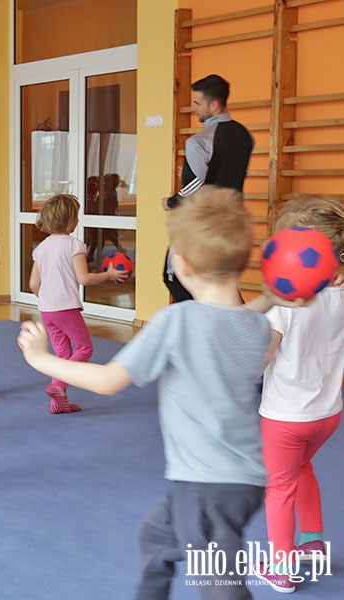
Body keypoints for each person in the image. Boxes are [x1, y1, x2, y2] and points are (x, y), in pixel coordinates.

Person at [18, 186, 270, 597]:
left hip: (206, 482)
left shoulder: (179, 321)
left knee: (218, 582)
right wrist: (275, 297)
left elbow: (109, 380)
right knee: (156, 540)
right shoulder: (254, 324)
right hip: (240, 480)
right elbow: (249, 327)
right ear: (242, 263)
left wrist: (41, 359)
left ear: (181, 263)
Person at [246, 198, 344, 593]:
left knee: (279, 488)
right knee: (303, 469)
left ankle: (282, 568)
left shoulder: (284, 304)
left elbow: (259, 362)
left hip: (285, 418)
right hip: (328, 414)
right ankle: (312, 542)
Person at [28, 194, 127, 414]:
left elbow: (34, 284)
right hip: (66, 309)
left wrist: (47, 298)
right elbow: (84, 279)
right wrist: (108, 274)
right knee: (84, 348)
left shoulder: (41, 248)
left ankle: (58, 403)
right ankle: (58, 386)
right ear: (70, 220)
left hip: (47, 310)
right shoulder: (75, 246)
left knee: (63, 355)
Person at [162, 74, 254, 303]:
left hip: (203, 220)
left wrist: (171, 201)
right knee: (222, 279)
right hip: (232, 221)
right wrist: (190, 173)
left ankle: (202, 324)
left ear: (214, 105)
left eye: (197, 103)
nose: (193, 108)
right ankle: (237, 326)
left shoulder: (199, 141)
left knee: (173, 276)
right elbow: (227, 172)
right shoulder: (244, 135)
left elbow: (195, 187)